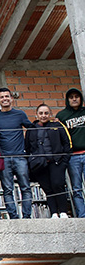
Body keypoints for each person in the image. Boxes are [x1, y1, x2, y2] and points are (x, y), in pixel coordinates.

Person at [0, 87, 34, 219]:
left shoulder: (20, 114)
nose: (5, 99)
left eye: (7, 96)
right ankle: (13, 217)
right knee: (7, 190)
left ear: (11, 99)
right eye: (2, 97)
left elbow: (31, 129)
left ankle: (27, 217)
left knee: (25, 187)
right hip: (4, 158)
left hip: (20, 157)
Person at [25, 104, 72, 218]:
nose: (43, 115)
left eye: (46, 113)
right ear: (36, 114)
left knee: (58, 185)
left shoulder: (57, 126)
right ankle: (54, 212)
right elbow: (27, 147)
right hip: (39, 164)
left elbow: (67, 143)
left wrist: (64, 160)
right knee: (48, 188)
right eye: (41, 113)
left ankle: (63, 211)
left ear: (50, 114)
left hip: (56, 162)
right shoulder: (32, 128)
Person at [56, 88, 85, 218]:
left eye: (77, 96)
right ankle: (82, 215)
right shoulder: (61, 116)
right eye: (71, 97)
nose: (74, 99)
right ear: (67, 100)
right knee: (77, 188)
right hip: (73, 156)